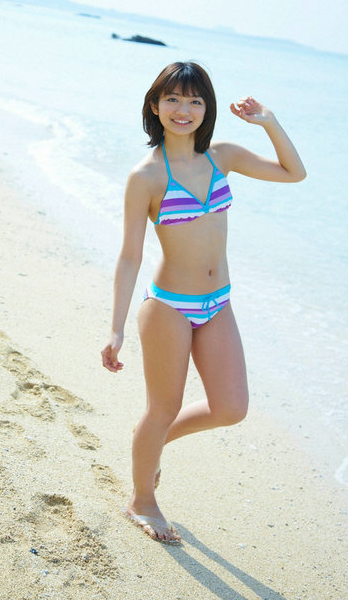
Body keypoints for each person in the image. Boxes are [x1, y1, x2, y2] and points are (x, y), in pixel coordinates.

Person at [101, 61, 306, 543]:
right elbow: (130, 256)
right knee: (162, 407)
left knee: (231, 408)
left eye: (195, 100)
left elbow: (294, 173)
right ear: (155, 106)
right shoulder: (147, 176)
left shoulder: (222, 156)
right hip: (169, 306)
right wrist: (115, 328)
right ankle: (141, 500)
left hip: (218, 304)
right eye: (173, 99)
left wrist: (269, 122)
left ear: (206, 109)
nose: (184, 109)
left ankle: (152, 443)